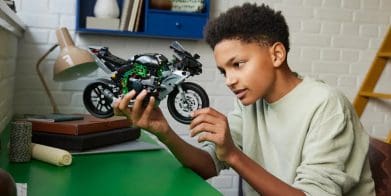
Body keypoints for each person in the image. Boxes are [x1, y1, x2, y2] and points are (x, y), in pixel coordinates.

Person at [114, 3, 375, 196]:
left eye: (238, 64)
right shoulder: (251, 102)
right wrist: (164, 131)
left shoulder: (326, 105)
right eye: (224, 71)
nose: (229, 80)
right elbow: (208, 166)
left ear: (276, 55)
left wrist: (233, 155)